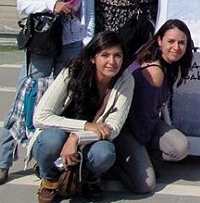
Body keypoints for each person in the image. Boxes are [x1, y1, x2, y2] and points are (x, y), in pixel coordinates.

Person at [0, 0, 95, 184]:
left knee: (62, 103)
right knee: (26, 100)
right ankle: (4, 159)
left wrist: (86, 48)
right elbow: (23, 4)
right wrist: (52, 4)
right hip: (42, 45)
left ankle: (48, 157)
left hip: (71, 46)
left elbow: (88, 17)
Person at [31, 31, 134, 202]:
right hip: (59, 133)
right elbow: (40, 116)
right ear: (93, 58)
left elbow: (113, 129)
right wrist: (85, 126)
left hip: (89, 141)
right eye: (105, 55)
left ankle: (90, 178)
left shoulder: (125, 80)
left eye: (117, 56)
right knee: (51, 140)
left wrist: (76, 138)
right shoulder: (72, 72)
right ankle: (49, 179)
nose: (112, 61)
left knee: (105, 153)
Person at [113, 19, 194, 194]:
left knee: (180, 147)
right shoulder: (154, 70)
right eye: (170, 42)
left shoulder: (172, 65)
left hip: (146, 121)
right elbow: (139, 120)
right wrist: (145, 148)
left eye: (181, 43)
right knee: (146, 184)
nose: (176, 47)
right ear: (159, 41)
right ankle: (111, 165)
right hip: (125, 127)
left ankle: (138, 159)